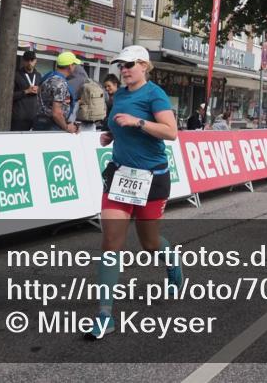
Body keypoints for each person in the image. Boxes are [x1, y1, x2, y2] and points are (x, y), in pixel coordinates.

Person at [87, 45, 181, 340]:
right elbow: (121, 124)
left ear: (143, 65)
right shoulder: (121, 95)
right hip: (120, 175)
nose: (124, 70)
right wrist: (111, 134)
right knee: (111, 242)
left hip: (151, 178)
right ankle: (105, 315)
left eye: (129, 65)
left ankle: (172, 263)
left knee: (149, 243)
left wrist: (138, 122)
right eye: (120, 66)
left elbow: (171, 131)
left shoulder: (155, 94)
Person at [33, 52, 80, 133]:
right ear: (70, 66)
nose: (75, 67)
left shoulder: (49, 77)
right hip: (52, 125)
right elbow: (56, 113)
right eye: (74, 64)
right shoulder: (60, 83)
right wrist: (67, 127)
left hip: (41, 121)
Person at [11, 50, 42, 131]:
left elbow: (42, 93)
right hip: (19, 118)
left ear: (35, 61)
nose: (29, 62)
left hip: (34, 117)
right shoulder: (16, 75)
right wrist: (26, 91)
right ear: (23, 61)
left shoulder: (38, 75)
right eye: (27, 60)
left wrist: (39, 91)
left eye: (32, 60)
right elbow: (9, 96)